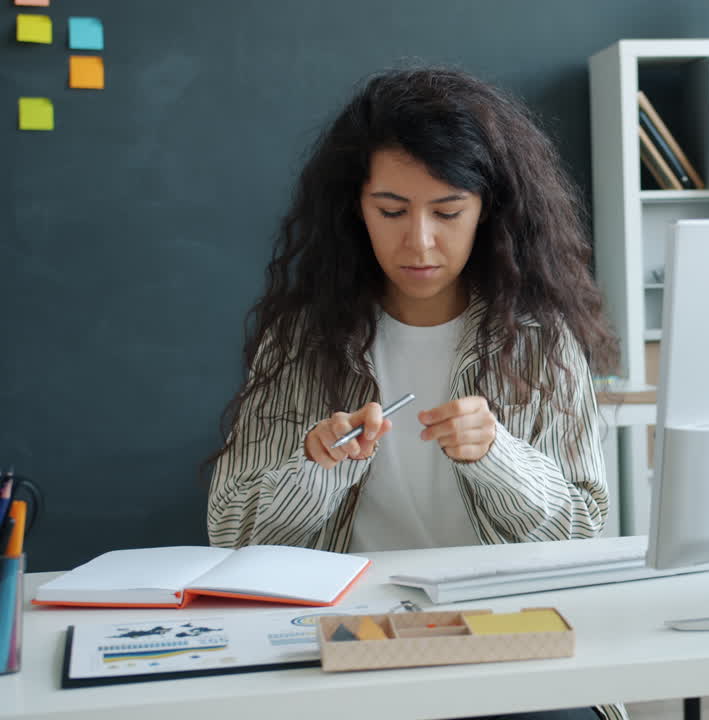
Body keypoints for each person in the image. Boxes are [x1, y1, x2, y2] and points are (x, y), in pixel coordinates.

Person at [206, 66, 620, 719]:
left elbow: (581, 531)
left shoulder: (541, 341)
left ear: (488, 212)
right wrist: (316, 472)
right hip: (351, 636)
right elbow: (229, 533)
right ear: (355, 209)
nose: (419, 241)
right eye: (391, 211)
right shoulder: (300, 341)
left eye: (448, 211)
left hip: (502, 629)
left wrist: (496, 457)